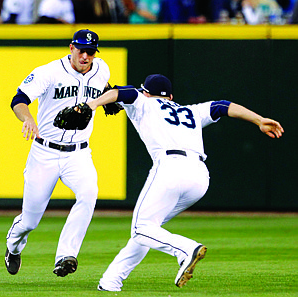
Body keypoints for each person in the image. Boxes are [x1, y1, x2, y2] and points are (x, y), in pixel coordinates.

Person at [84, 74, 283, 291]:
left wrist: (92, 104)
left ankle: (186, 249)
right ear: (171, 96)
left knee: (142, 228)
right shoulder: (191, 111)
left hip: (170, 167)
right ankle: (111, 281)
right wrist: (259, 120)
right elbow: (223, 106)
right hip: (199, 177)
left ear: (146, 92)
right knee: (150, 228)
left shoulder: (143, 101)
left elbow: (123, 93)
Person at [4, 29, 110, 277]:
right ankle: (13, 246)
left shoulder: (101, 68)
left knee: (88, 194)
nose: (85, 56)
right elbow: (18, 99)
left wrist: (108, 100)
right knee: (30, 221)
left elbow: (104, 86)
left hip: (79, 152)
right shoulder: (49, 72)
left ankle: (66, 256)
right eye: (81, 50)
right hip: (45, 152)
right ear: (71, 47)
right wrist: (28, 118)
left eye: (90, 51)